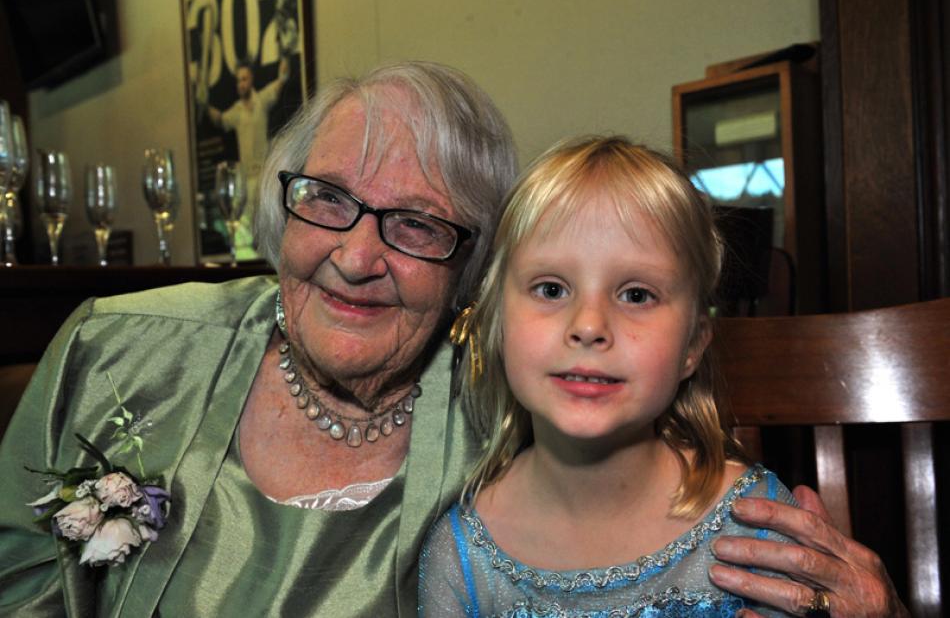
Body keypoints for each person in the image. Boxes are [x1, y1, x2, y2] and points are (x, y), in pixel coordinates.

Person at [0, 62, 905, 617]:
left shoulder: (523, 412)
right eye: (328, 198)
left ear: (473, 270)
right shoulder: (116, 352)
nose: (357, 255)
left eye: (417, 224)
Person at [418, 136, 905, 618]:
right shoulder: (462, 557)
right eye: (551, 288)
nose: (588, 326)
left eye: (636, 295)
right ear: (498, 325)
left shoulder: (754, 526)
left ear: (693, 344)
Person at [207, 57, 291, 258]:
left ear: (251, 79)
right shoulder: (235, 111)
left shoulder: (262, 100)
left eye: (244, 79)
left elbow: (279, 84)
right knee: (245, 237)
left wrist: (283, 70)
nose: (240, 84)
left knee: (269, 231)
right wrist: (204, 104)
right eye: (238, 81)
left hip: (265, 177)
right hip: (245, 180)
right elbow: (220, 120)